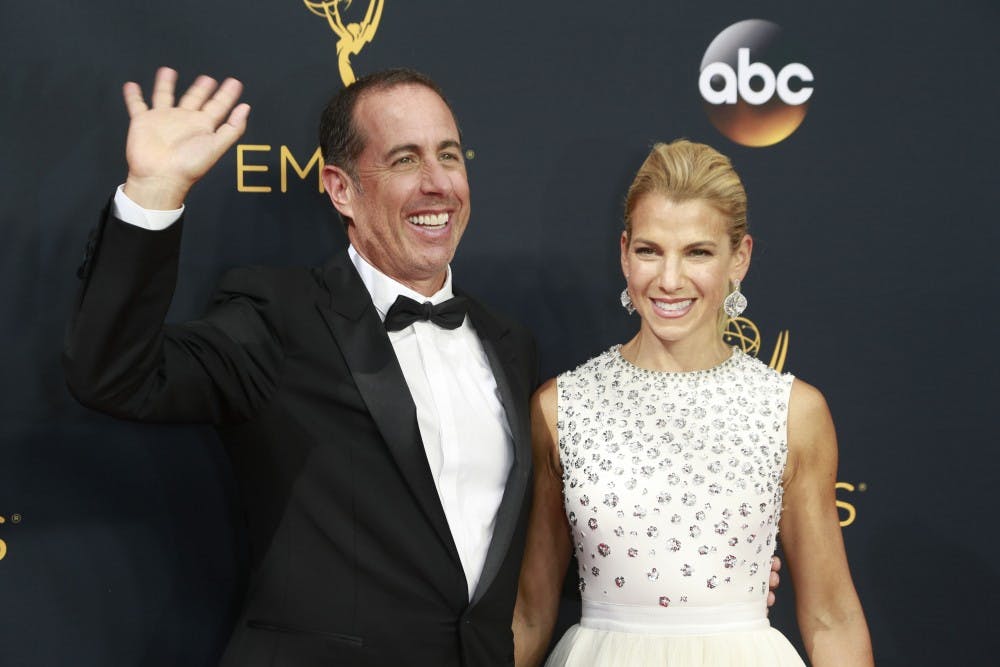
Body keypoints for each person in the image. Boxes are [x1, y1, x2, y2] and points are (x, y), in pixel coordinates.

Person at [63, 67, 539, 666]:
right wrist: (153, 193)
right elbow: (116, 375)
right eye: (403, 160)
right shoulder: (279, 317)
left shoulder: (511, 344)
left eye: (449, 154)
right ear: (341, 189)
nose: (438, 182)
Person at [512, 140, 873, 666]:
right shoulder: (560, 406)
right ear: (623, 253)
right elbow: (530, 613)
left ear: (739, 258)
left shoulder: (794, 412)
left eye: (697, 252)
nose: (670, 280)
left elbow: (831, 618)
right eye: (649, 250)